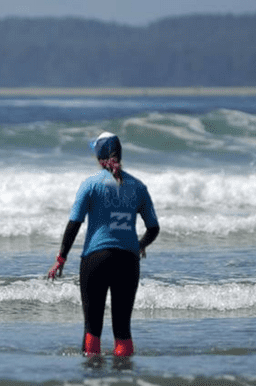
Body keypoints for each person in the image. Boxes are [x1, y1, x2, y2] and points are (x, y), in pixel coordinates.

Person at [46, 132, 159, 357]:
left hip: (96, 260)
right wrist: (139, 245)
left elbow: (74, 225)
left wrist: (61, 259)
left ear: (99, 157)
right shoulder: (138, 187)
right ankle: (123, 373)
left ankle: (92, 375)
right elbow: (153, 228)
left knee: (92, 327)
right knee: (123, 329)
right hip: (128, 260)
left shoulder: (90, 185)